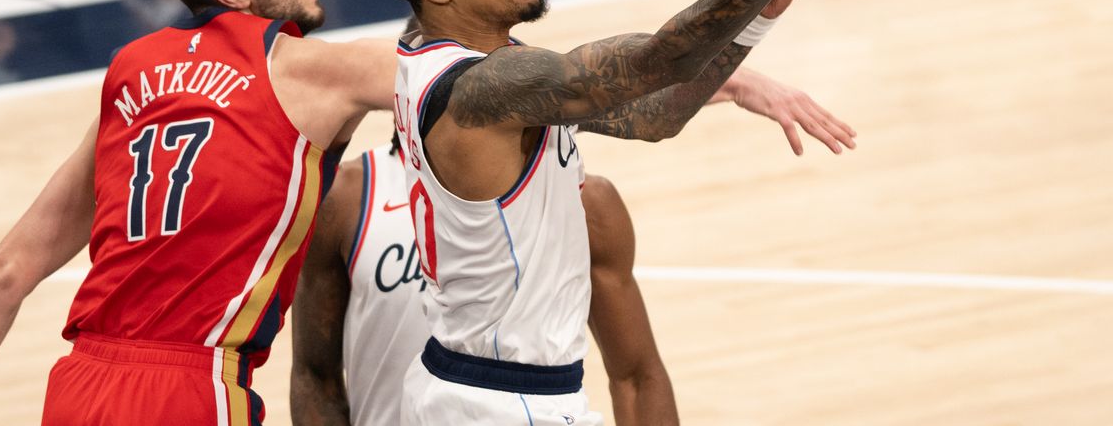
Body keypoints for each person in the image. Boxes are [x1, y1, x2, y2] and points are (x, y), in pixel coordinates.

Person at [372, 0, 868, 424]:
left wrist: (753, 19)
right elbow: (658, 59)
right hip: (506, 401)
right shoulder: (487, 87)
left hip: (464, 385)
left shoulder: (440, 65)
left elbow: (659, 114)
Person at [0, 0, 398, 425]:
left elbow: (4, 272)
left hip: (78, 388)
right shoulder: (304, 68)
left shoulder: (131, 70)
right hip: (189, 390)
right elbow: (460, 82)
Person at [290, 47, 856, 425]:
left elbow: (636, 374)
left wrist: (734, 74)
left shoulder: (586, 203)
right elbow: (314, 373)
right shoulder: (347, 198)